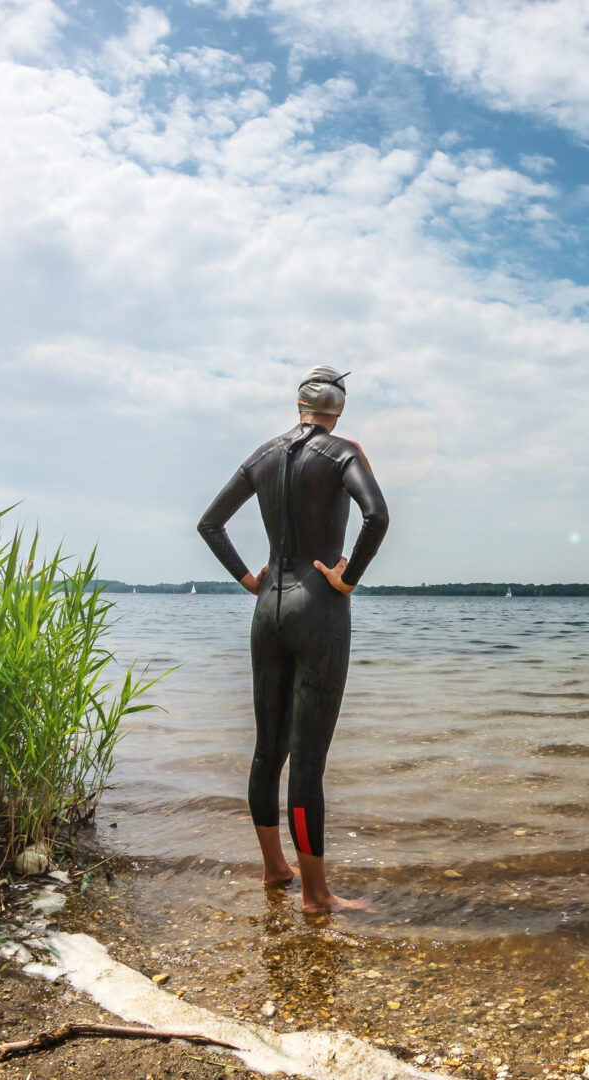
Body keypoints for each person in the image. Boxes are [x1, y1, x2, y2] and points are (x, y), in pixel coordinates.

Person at [195, 366, 388, 914]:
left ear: (299, 404)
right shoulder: (344, 451)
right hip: (319, 608)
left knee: (267, 750)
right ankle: (316, 895)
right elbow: (377, 516)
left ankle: (274, 868)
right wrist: (348, 579)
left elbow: (211, 523)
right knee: (306, 762)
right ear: (338, 408)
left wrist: (248, 579)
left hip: (268, 609)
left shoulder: (263, 453)